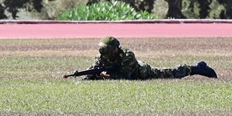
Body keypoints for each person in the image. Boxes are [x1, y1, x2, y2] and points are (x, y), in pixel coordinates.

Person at [84, 36, 217, 80]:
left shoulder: (127, 55)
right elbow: (96, 68)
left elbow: (126, 76)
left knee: (169, 73)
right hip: (128, 71)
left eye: (106, 49)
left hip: (142, 72)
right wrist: (90, 74)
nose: (103, 53)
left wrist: (105, 76)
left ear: (115, 49)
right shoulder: (103, 56)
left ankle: (196, 68)